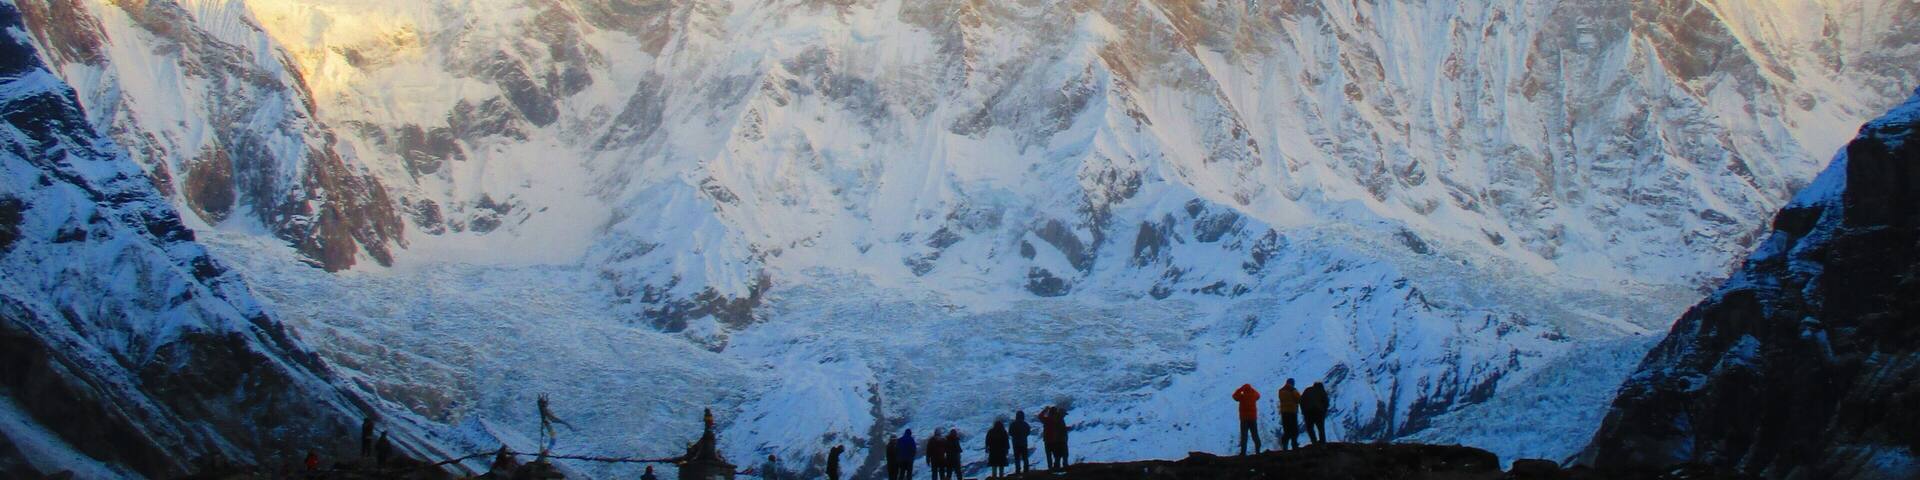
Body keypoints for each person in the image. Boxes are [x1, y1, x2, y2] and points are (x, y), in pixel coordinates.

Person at [1232, 383, 1263, 455]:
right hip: (1253, 418)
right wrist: (1252, 390)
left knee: (1244, 436)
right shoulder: (1253, 394)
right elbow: (1258, 396)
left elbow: (1234, 397)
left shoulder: (1242, 396)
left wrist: (1240, 389)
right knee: (1255, 434)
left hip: (1244, 418)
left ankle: (1243, 452)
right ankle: (1258, 451)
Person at [1275, 379, 1301, 451]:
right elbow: (1299, 399)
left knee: (1287, 430)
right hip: (1292, 412)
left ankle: (1285, 446)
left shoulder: (1281, 391)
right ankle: (1294, 444)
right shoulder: (1293, 390)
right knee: (1294, 429)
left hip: (1284, 412)